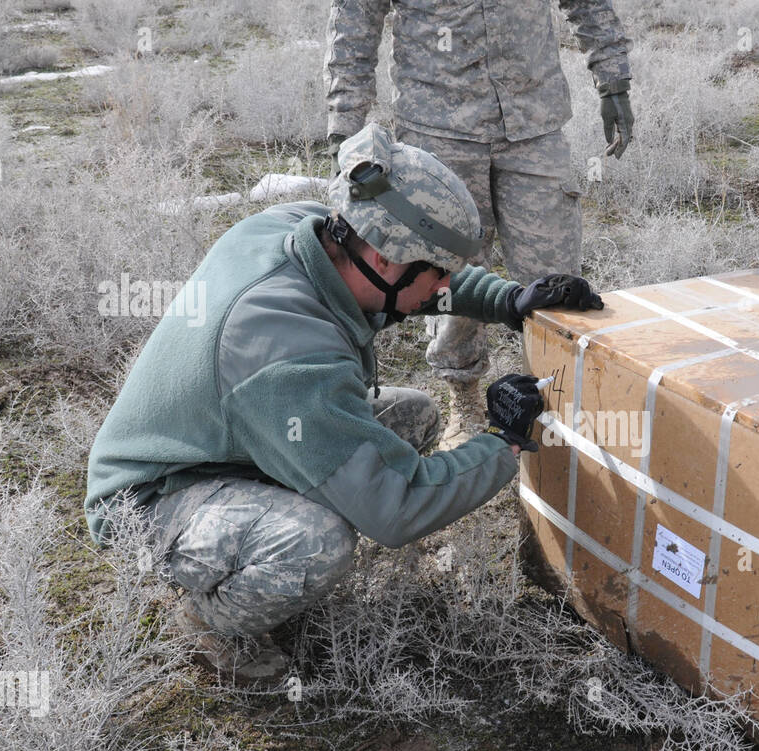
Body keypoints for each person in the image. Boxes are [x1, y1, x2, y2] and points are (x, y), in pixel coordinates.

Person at [84, 125, 604, 686]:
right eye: (439, 274)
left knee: (413, 416)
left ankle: (259, 533)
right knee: (318, 541)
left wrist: (508, 299)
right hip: (149, 501)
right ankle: (209, 623)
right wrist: (505, 439)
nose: (444, 289)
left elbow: (421, 285)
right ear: (384, 259)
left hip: (232, 438)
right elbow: (397, 509)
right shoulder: (289, 355)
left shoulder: (309, 227)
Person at [323, 0, 633, 449]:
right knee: (444, 277)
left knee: (556, 281)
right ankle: (464, 397)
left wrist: (613, 80)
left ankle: (557, 399)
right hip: (439, 129)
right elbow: (354, 19)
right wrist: (344, 128)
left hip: (534, 121)